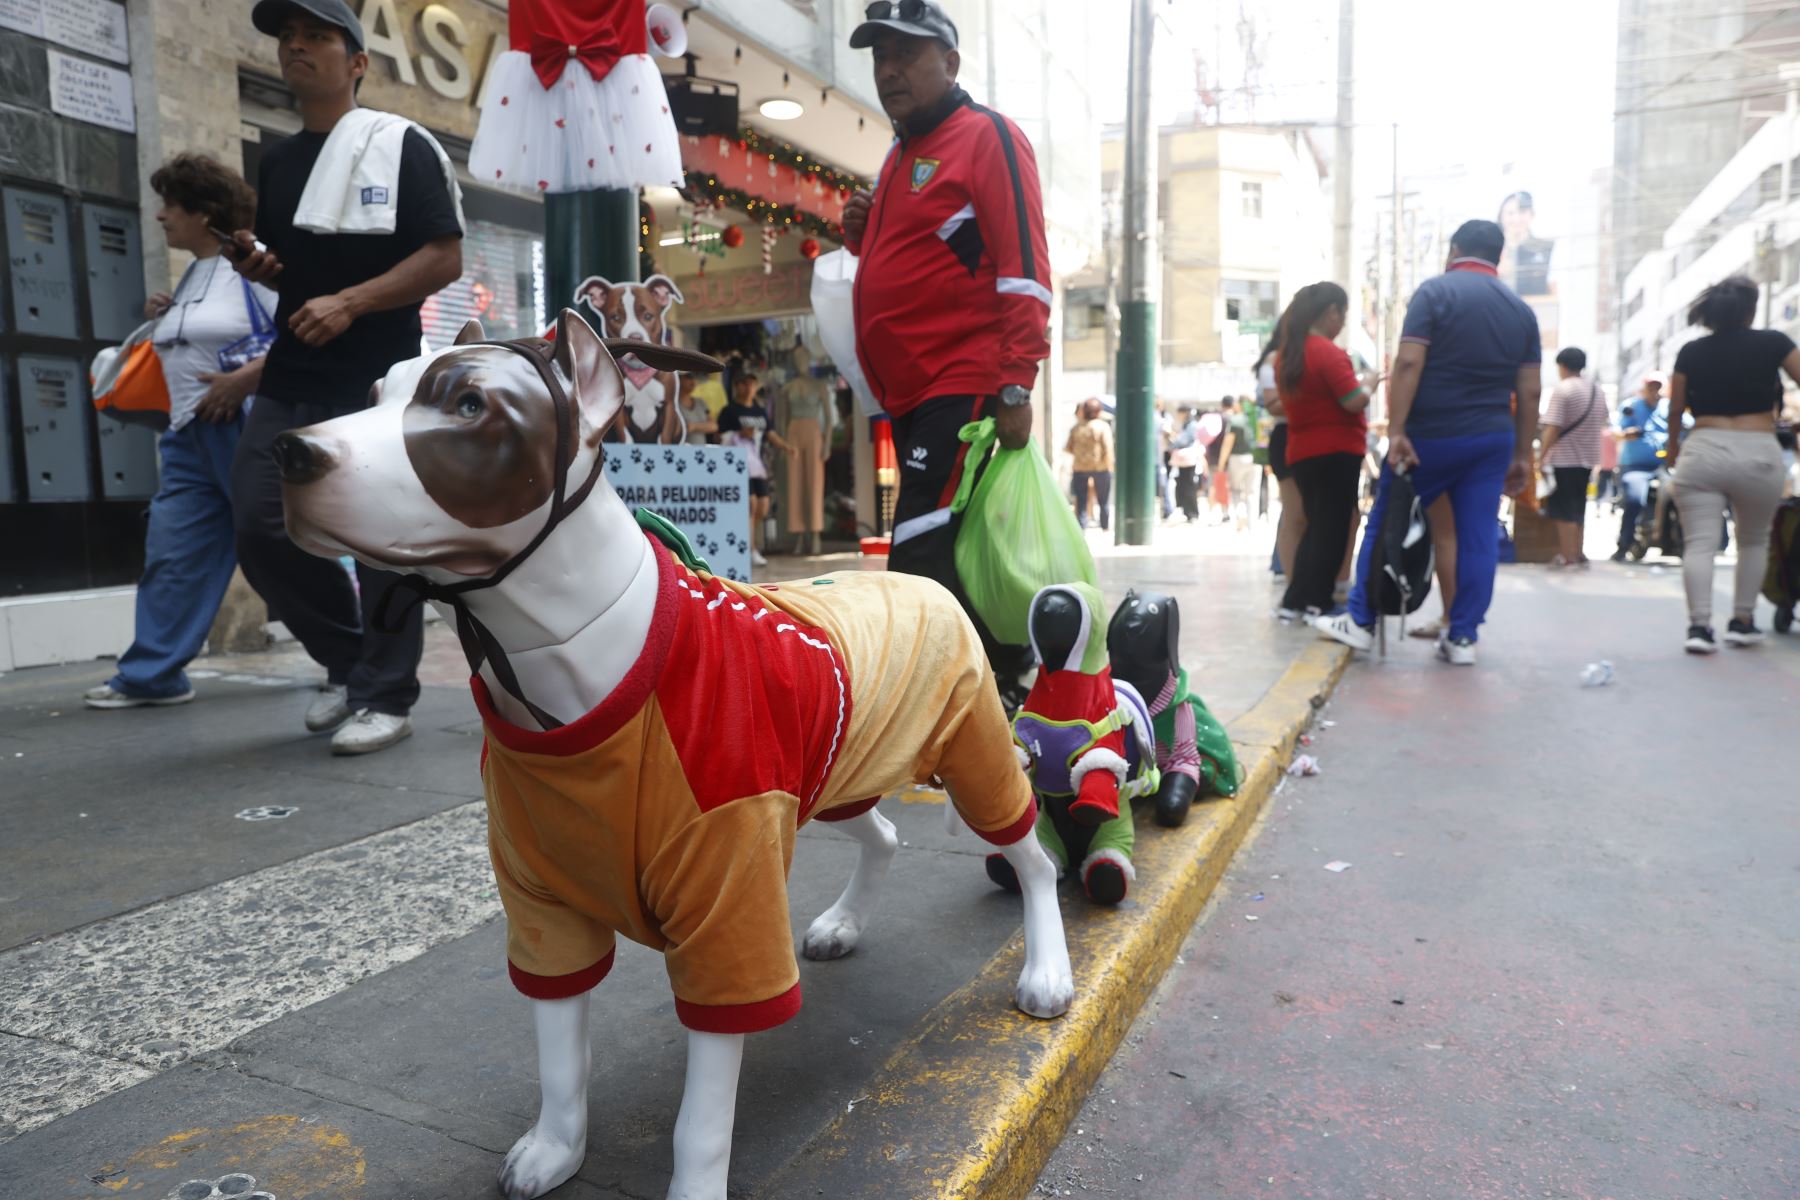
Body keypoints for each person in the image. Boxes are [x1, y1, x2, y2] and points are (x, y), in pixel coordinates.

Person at [227, 0, 464, 754]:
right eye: (288, 39)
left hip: (376, 375)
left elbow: (445, 256)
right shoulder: (279, 157)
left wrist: (352, 302)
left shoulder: (401, 144)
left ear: (357, 61)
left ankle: (385, 693)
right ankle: (345, 660)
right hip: (292, 370)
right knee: (259, 523)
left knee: (379, 542)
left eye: (317, 37)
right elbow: (302, 271)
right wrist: (266, 269)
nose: (297, 48)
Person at [841, 0, 1051, 707]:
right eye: (880, 57)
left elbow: (1022, 267)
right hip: (913, 391)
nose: (889, 70)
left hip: (962, 384)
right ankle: (999, 684)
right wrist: (861, 235)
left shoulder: (986, 136)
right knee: (950, 547)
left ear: (951, 63)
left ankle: (936, 707)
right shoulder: (903, 151)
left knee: (920, 547)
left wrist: (1017, 383)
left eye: (907, 54)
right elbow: (933, 255)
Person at [83, 157, 276, 710]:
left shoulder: (256, 263)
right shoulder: (195, 271)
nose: (161, 216)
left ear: (205, 211)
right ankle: (153, 676)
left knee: (284, 552)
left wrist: (242, 381)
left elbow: (305, 332)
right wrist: (163, 318)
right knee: (173, 551)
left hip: (244, 427)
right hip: (188, 432)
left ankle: (353, 664)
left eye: (171, 205)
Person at [1316, 219, 1540, 665]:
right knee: (1478, 536)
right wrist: (1522, 454)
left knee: (1386, 519)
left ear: (1454, 249)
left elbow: (1409, 363)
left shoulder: (1435, 294)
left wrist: (1396, 430)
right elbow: (1531, 390)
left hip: (1432, 434)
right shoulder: (1520, 311)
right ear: (1498, 257)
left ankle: (1360, 621)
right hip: (1492, 438)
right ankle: (1462, 637)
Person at [1665, 275, 1800, 653]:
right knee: (1754, 541)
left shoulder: (1690, 351)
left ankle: (1699, 628)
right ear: (1751, 309)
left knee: (1700, 544)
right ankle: (1742, 621)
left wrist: (1674, 452)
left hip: (1703, 448)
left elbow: (1676, 408)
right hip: (1758, 449)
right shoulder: (1775, 343)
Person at [1273, 283, 1370, 620]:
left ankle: (1295, 600)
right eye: (1342, 315)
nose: (1342, 323)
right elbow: (1352, 400)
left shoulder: (1288, 355)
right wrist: (1369, 384)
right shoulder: (1327, 353)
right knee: (1332, 528)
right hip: (1338, 450)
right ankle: (1317, 600)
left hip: (1302, 451)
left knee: (1317, 526)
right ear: (1331, 312)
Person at [1537, 346, 1605, 569]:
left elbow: (1552, 427)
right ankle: (1578, 551)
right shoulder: (1597, 390)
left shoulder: (1563, 389)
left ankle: (1567, 555)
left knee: (1563, 509)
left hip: (1565, 458)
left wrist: (1542, 456)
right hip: (1588, 457)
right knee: (1578, 507)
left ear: (1562, 366)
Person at [718, 372, 794, 566]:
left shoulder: (760, 411)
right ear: (737, 386)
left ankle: (749, 541)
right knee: (750, 505)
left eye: (752, 384)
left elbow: (771, 434)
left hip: (757, 465)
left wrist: (786, 447)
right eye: (744, 384)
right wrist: (738, 433)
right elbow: (718, 437)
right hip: (736, 465)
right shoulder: (729, 411)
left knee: (763, 505)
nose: (748, 388)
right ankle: (751, 549)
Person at [780, 345, 835, 555]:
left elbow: (829, 419)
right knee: (795, 484)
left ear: (810, 360)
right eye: (797, 358)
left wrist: (827, 443)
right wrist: (784, 443)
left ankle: (816, 533)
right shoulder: (789, 387)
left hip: (813, 432)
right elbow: (783, 419)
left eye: (804, 358)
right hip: (793, 431)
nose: (801, 362)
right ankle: (800, 535)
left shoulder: (819, 386)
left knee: (814, 483)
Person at [1610, 374, 1667, 561]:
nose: (1654, 392)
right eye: (1651, 387)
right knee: (1634, 500)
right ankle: (1624, 544)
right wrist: (1627, 434)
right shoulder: (1631, 407)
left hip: (1665, 466)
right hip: (1636, 467)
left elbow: (1686, 425)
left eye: (1658, 387)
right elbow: (1616, 431)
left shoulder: (1668, 407)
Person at [1067, 398, 1115, 531]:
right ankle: (1104, 526)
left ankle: (1082, 527)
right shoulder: (1102, 426)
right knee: (1103, 500)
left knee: (1081, 501)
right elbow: (1108, 448)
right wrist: (1109, 464)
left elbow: (1069, 447)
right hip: (1101, 467)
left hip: (1080, 467)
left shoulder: (1077, 427)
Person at [1220, 395, 1258, 530]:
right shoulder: (1257, 418)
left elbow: (1227, 444)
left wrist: (1221, 464)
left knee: (1236, 490)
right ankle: (1252, 524)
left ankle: (1241, 514)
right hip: (1255, 459)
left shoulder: (1235, 420)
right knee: (1251, 493)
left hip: (1237, 458)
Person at [1169, 407, 1203, 522]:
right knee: (1185, 485)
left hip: (1189, 460)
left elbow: (1184, 440)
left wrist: (1173, 441)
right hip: (1185, 461)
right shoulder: (1187, 424)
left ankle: (1192, 513)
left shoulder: (1191, 425)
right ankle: (1188, 512)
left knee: (1189, 486)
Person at [676, 373, 715, 446]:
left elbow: (714, 426)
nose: (693, 381)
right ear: (679, 379)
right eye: (689, 377)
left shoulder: (701, 402)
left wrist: (693, 427)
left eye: (695, 377)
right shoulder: (673, 403)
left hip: (700, 451)